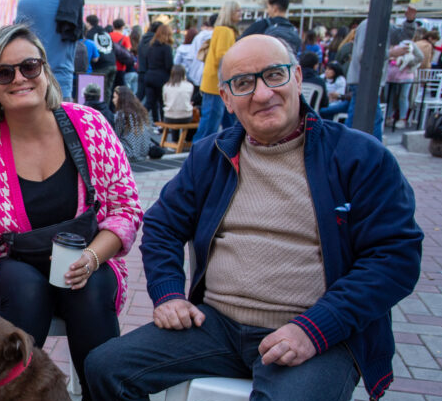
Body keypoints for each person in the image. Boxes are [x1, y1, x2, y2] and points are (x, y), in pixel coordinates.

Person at [86, 34, 423, 401]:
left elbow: (394, 258)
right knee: (104, 368)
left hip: (316, 330)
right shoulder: (210, 155)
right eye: (243, 84)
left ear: (297, 77)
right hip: (216, 324)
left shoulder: (359, 157)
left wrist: (316, 329)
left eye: (274, 75)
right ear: (227, 100)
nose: (262, 94)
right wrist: (168, 294)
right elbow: (163, 226)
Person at [0, 24, 143, 399]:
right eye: (4, 72)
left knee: (92, 286)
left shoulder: (89, 126)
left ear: (45, 71)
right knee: (26, 288)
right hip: (16, 273)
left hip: (88, 262)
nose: (19, 79)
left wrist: (91, 258)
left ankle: (100, 392)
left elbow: (124, 209)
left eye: (29, 66)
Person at [345, 9, 418, 141]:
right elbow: (364, 54)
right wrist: (391, 53)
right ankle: (374, 151)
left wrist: (410, 22)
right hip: (363, 79)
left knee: (363, 116)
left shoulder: (384, 26)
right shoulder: (368, 25)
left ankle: (351, 146)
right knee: (372, 118)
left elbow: (403, 36)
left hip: (369, 80)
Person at [15, 0, 82, 99]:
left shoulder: (25, 4)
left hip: (31, 77)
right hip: (63, 79)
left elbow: (18, 41)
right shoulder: (75, 2)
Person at [199, 1, 241, 138]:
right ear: (230, 13)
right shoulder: (225, 31)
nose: (240, 14)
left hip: (215, 82)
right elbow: (221, 57)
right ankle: (200, 153)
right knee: (211, 122)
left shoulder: (222, 30)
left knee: (215, 120)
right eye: (237, 11)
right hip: (217, 83)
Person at [112, 86, 154, 162]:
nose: (113, 100)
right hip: (143, 154)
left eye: (115, 97)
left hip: (128, 154)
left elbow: (116, 136)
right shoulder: (141, 112)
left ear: (121, 99)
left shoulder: (121, 114)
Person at [144, 24, 174, 123]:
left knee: (150, 103)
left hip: (149, 75)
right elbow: (169, 65)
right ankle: (162, 125)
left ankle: (136, 122)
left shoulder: (150, 46)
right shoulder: (167, 48)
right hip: (162, 78)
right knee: (162, 103)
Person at [87, 14, 117, 105]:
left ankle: (99, 110)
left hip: (101, 65)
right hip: (112, 63)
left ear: (88, 23)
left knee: (98, 91)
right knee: (108, 90)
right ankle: (106, 110)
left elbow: (91, 50)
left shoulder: (90, 33)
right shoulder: (105, 32)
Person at [162, 64, 194, 143]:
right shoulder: (189, 85)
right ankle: (188, 139)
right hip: (186, 117)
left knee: (173, 111)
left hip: (169, 117)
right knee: (193, 116)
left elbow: (164, 101)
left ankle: (175, 140)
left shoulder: (166, 86)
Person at [136, 21, 162, 101]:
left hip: (141, 70)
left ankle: (132, 112)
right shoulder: (154, 42)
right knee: (152, 100)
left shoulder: (143, 39)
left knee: (140, 96)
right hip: (150, 71)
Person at [110, 18, 134, 91]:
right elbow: (128, 52)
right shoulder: (125, 38)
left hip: (109, 64)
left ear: (113, 26)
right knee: (119, 89)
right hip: (120, 67)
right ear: (122, 27)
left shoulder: (108, 36)